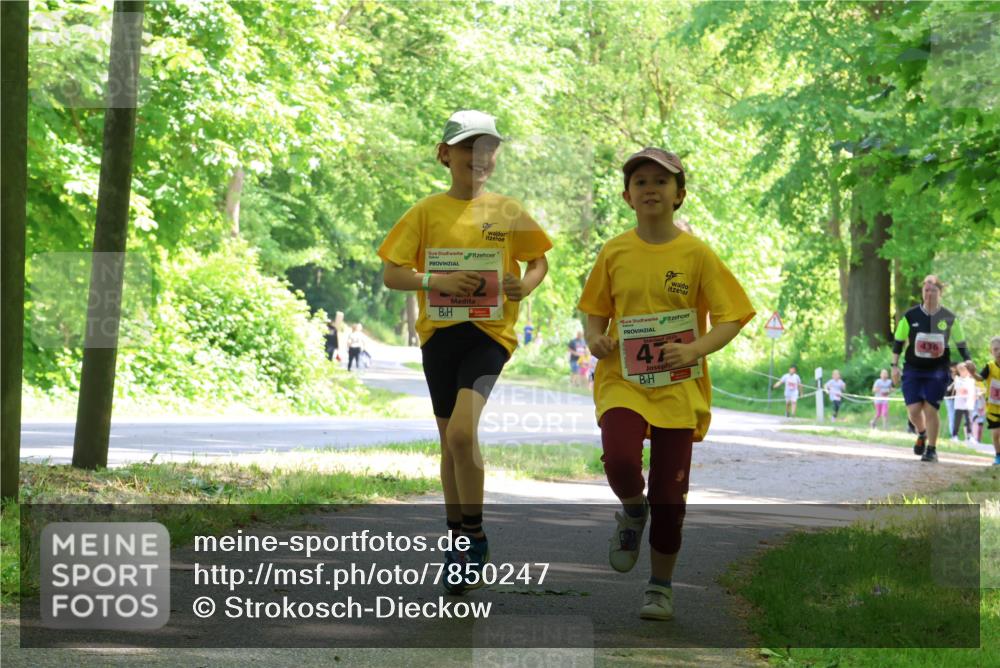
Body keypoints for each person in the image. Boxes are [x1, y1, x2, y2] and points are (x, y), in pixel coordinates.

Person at [378, 110, 551, 594]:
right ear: (444, 154)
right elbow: (393, 273)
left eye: (488, 148)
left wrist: (525, 286)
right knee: (448, 443)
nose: (479, 157)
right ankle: (456, 538)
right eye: (468, 147)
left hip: (489, 335)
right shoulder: (426, 212)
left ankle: (473, 535)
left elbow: (538, 262)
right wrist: (438, 280)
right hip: (440, 337)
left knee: (461, 435)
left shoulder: (507, 211)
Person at [578, 147, 755, 621]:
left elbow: (733, 315)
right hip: (624, 380)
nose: (650, 188)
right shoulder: (615, 250)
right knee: (618, 460)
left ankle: (660, 585)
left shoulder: (696, 254)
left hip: (678, 385)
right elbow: (595, 309)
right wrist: (596, 337)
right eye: (640, 182)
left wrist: (695, 349)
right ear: (627, 196)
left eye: (661, 181)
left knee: (671, 498)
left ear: (679, 194)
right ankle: (632, 511)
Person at [891, 274, 972, 462]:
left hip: (938, 370)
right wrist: (894, 366)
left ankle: (932, 449)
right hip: (913, 368)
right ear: (922, 292)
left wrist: (968, 359)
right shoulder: (910, 316)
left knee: (930, 408)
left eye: (933, 290)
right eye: (926, 290)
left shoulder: (949, 318)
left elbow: (961, 342)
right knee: (913, 409)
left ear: (940, 293)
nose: (929, 294)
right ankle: (921, 433)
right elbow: (898, 342)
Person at [977, 336, 1000, 465]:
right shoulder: (989, 367)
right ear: (991, 352)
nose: (999, 352)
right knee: (996, 434)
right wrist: (972, 372)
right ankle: (998, 456)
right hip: (993, 407)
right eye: (996, 349)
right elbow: (980, 378)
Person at [949, 361, 976, 442]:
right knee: (957, 420)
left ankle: (970, 436)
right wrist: (965, 391)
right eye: (962, 370)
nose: (965, 372)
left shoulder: (971, 381)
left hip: (968, 404)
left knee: (969, 420)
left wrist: (974, 395)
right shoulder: (957, 380)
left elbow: (973, 391)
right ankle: (954, 435)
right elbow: (959, 389)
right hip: (959, 404)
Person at [944, 364, 958, 437]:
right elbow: (948, 389)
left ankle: (955, 433)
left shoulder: (958, 377)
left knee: (956, 416)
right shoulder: (948, 377)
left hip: (957, 398)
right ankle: (952, 433)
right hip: (949, 398)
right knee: (951, 415)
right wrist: (954, 382)